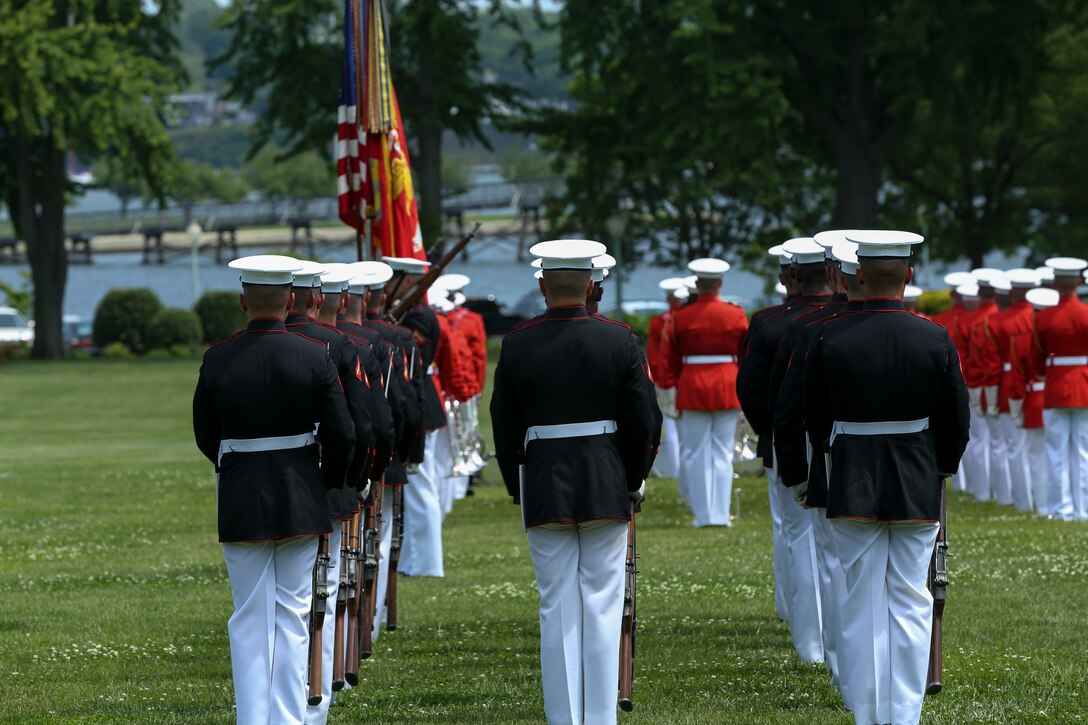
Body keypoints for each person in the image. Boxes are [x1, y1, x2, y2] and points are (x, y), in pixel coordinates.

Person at [802, 230, 969, 725]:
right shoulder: (934, 336)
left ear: (858, 275)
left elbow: (814, 416)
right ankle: (904, 715)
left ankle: (869, 712)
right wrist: (941, 466)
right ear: (909, 276)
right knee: (911, 600)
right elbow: (955, 419)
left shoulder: (828, 335)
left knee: (860, 601)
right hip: (916, 476)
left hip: (854, 475)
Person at [490, 239, 659, 725]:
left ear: (542, 286)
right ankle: (600, 716)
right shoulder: (620, 338)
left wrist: (515, 482)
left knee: (556, 605)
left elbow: (503, 422)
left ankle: (565, 717)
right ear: (590, 285)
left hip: (544, 479)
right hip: (606, 479)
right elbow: (644, 420)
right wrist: (634, 478)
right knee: (603, 605)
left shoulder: (518, 342)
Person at [193, 255, 354, 725]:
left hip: (242, 493)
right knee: (293, 613)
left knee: (247, 616)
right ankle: (288, 717)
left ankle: (253, 718)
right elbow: (341, 432)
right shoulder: (313, 354)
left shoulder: (217, 357)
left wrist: (236, 467)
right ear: (291, 300)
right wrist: (324, 480)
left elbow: (206, 434)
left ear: (244, 301)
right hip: (300, 491)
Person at [661, 257, 749, 527]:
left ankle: (703, 515)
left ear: (697, 284)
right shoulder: (736, 314)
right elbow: (745, 351)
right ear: (720, 285)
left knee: (697, 452)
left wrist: (671, 383)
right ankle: (721, 515)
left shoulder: (680, 317)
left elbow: (670, 356)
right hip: (725, 383)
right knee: (722, 451)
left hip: (693, 383)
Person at [1034, 256, 1088, 521]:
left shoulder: (1044, 318)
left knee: (1057, 452)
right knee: (1083, 452)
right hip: (1084, 385)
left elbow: (1037, 358)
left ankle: (1062, 510)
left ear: (1055, 283)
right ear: (1079, 283)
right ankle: (1083, 510)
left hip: (1056, 385)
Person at [647, 278, 688, 480]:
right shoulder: (685, 319)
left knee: (672, 428)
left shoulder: (661, 321)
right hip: (683, 380)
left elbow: (655, 356)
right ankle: (680, 469)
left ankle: (676, 469)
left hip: (669, 380)